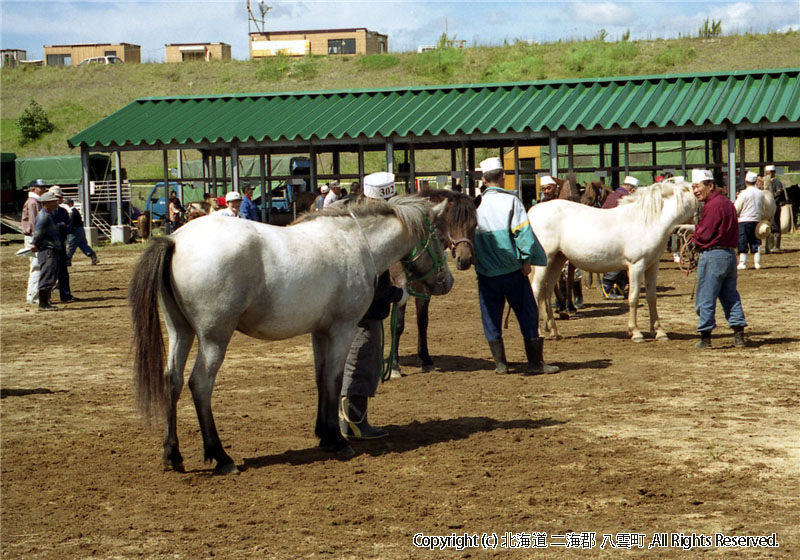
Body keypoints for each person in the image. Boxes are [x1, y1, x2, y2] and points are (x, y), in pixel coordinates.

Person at [339, 171, 409, 440]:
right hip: (365, 310)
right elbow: (374, 282)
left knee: (348, 362)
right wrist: (396, 294)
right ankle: (356, 423)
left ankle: (346, 420)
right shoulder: (372, 231)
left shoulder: (353, 221)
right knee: (361, 364)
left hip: (350, 307)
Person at [474, 157, 558, 375]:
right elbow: (523, 234)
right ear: (503, 176)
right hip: (512, 270)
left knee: (490, 316)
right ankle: (535, 363)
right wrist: (526, 261)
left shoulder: (475, 204)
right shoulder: (512, 202)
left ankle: (501, 364)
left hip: (486, 273)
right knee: (528, 314)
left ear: (483, 180)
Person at [690, 168, 747, 349]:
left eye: (698, 186)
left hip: (713, 256)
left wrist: (694, 238)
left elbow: (705, 233)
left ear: (710, 185)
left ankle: (705, 337)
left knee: (705, 296)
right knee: (731, 296)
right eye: (693, 187)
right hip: (729, 255)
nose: (695, 190)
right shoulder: (727, 203)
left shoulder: (712, 206)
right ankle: (738, 335)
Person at [601, 176, 639, 298]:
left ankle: (617, 288)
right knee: (619, 260)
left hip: (606, 230)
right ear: (631, 189)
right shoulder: (624, 198)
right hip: (616, 234)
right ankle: (607, 287)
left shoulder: (612, 195)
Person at [30, 191, 63, 311]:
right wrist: (35, 243)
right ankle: (43, 304)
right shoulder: (44, 216)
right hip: (48, 250)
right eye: (54, 201)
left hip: (51, 249)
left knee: (50, 275)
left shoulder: (48, 214)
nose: (56, 203)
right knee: (47, 275)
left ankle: (45, 302)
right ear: (47, 203)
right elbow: (38, 232)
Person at [21, 179, 47, 304]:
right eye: (40, 187)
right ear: (33, 189)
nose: (43, 189)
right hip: (34, 237)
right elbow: (35, 222)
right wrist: (37, 240)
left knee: (36, 266)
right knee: (37, 266)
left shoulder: (35, 201)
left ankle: (33, 296)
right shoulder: (33, 203)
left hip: (33, 236)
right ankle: (34, 297)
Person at [734, 171, 765, 270]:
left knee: (743, 241)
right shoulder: (761, 194)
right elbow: (763, 208)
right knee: (756, 241)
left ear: (746, 181)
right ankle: (757, 263)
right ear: (755, 181)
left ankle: (742, 263)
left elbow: (737, 207)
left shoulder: (743, 194)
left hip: (744, 220)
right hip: (757, 220)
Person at [48, 186, 74, 302]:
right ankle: (46, 297)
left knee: (63, 272)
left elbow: (69, 227)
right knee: (50, 271)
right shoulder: (46, 212)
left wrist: (62, 227)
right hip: (50, 245)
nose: (61, 199)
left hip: (61, 243)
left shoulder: (63, 211)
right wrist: (60, 226)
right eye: (58, 197)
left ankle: (66, 295)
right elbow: (48, 228)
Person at [64, 199, 98, 266]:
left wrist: (68, 230)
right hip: (80, 229)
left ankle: (67, 260)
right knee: (82, 244)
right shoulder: (75, 211)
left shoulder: (72, 212)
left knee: (71, 245)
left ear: (70, 204)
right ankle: (93, 256)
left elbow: (71, 223)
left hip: (75, 230)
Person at [764, 164, 784, 250]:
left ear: (773, 173)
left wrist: (770, 197)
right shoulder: (766, 182)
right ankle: (769, 245)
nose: (768, 175)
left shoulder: (777, 182)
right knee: (769, 226)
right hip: (767, 207)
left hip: (775, 206)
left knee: (775, 225)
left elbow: (778, 193)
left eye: (769, 173)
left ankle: (776, 245)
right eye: (766, 173)